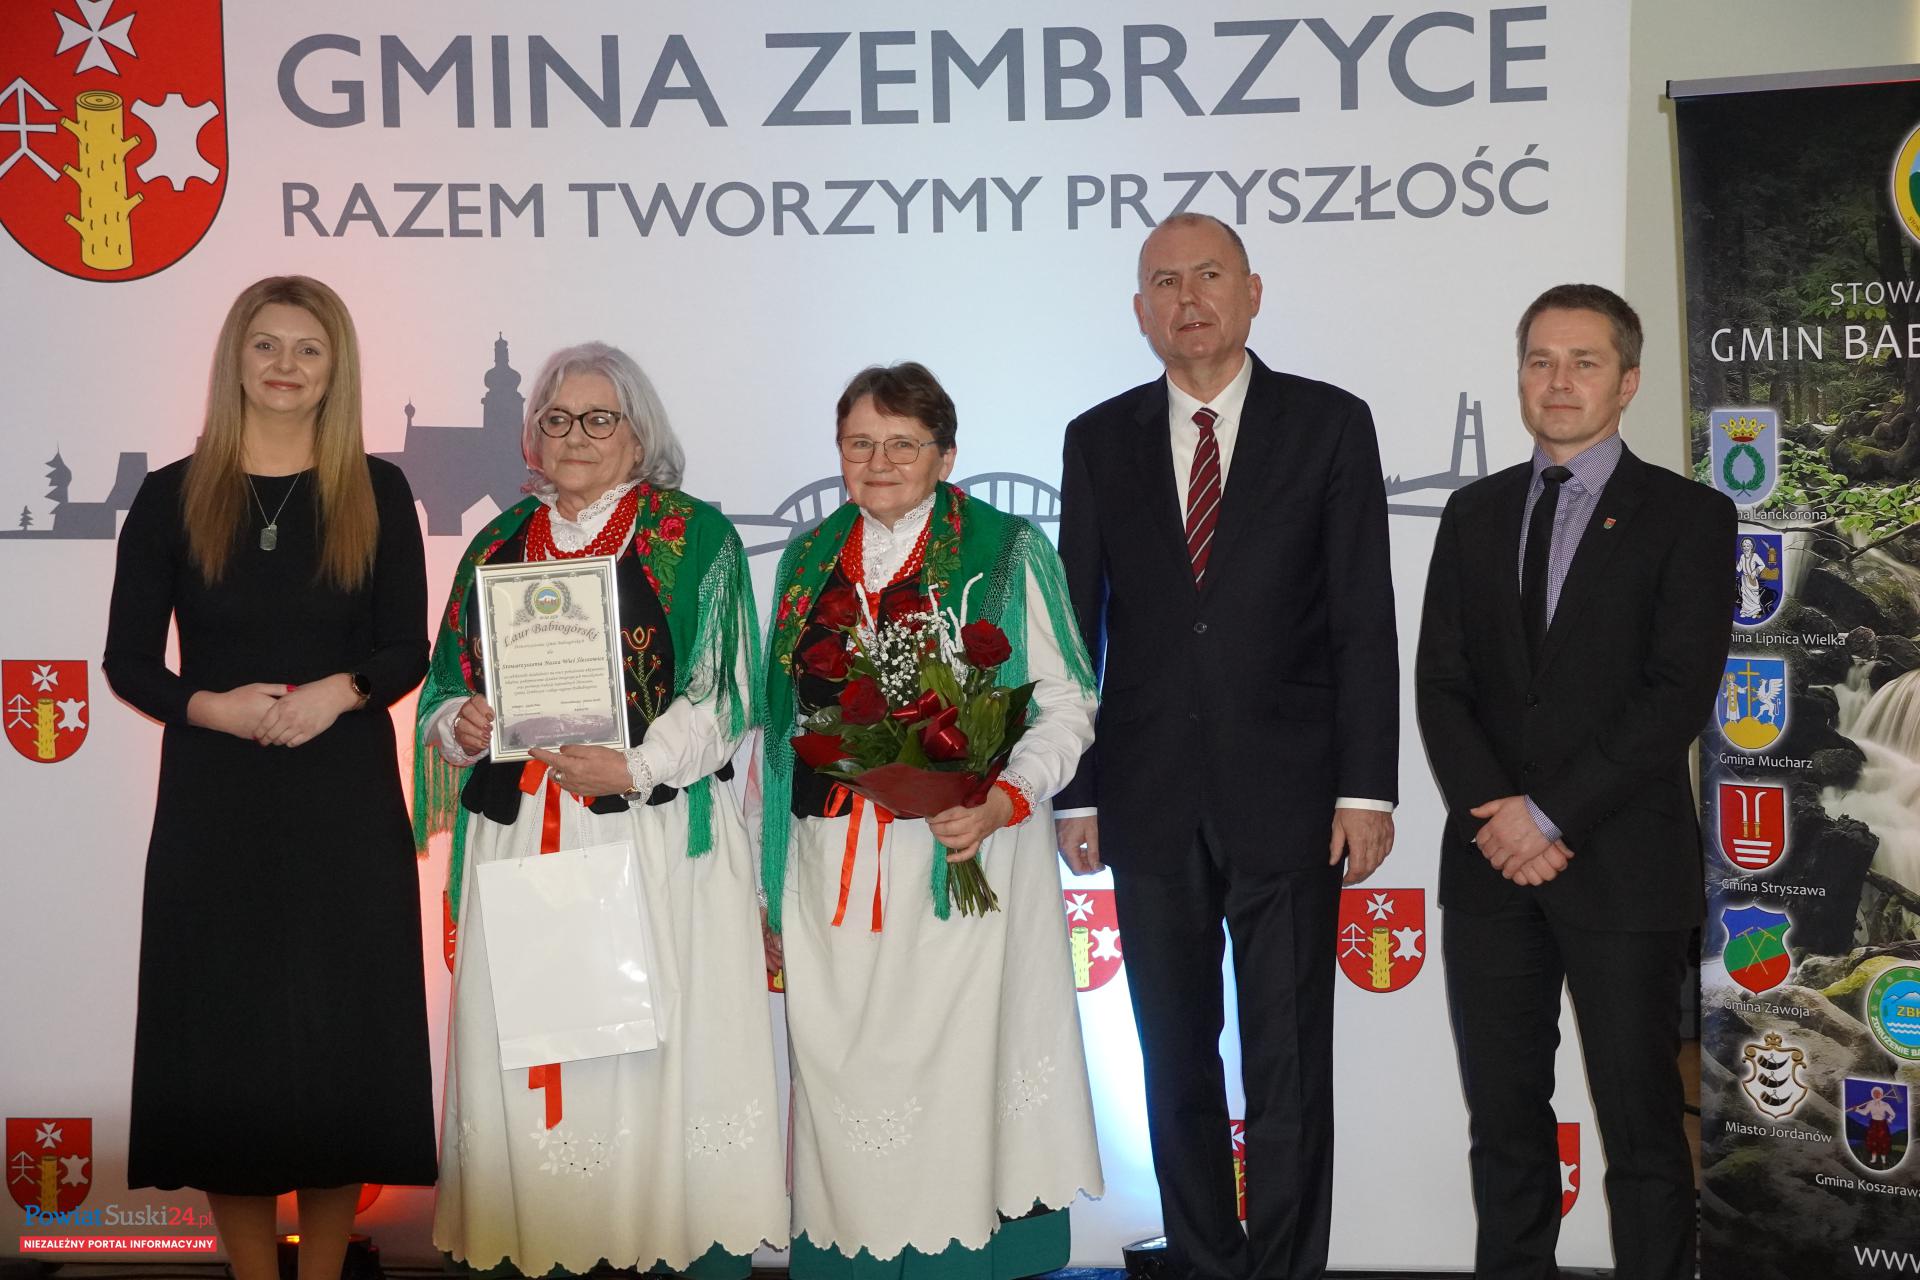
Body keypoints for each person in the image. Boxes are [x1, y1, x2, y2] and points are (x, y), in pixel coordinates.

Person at [1054, 212, 1398, 1280]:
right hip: (1148, 796)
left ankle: (1286, 1268)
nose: (1188, 298)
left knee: (1290, 1061)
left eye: (1209, 275)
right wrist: (1077, 791)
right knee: (1174, 1060)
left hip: (1293, 797)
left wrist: (1366, 788)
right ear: (1140, 310)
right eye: (1165, 281)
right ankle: (1206, 1260)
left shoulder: (1329, 424)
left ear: (1253, 293)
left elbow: (1362, 617)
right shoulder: (1098, 437)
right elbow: (1074, 628)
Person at [413, 342, 783, 1277]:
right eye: (556, 419)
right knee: (540, 1062)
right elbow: (443, 689)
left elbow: (725, 691)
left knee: (648, 1061)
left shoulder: (693, 537)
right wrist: (464, 721)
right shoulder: (495, 545)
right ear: (532, 436)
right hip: (524, 842)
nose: (575, 436)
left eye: (598, 418)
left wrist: (638, 765)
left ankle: (657, 1244)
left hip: (648, 835)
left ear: (638, 435)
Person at [102, 275, 436, 1280]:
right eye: (266, 345)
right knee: (226, 1046)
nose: (286, 365)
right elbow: (128, 662)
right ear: (235, 360)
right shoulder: (172, 494)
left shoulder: (377, 490)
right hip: (216, 802)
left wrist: (342, 691)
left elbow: (405, 648)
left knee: (344, 1046)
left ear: (336, 369)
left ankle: (324, 1269)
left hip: (345, 800)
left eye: (308, 348)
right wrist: (213, 707)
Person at [1414, 283, 1735, 1280]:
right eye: (1540, 360)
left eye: (1584, 362)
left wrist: (1549, 815)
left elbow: (1676, 694)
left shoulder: (1689, 516)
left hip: (1624, 868)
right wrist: (1502, 819)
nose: (1558, 381)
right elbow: (1440, 684)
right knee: (1504, 1122)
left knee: (1643, 1128)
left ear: (1627, 382)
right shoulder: (1472, 513)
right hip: (1491, 870)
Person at [757, 361, 1103, 1280]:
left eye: (903, 444)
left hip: (961, 860)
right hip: (831, 866)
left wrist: (1002, 800)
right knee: (841, 1073)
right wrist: (767, 875)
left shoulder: (1007, 550)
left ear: (946, 456)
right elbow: (777, 730)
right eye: (859, 443)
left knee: (957, 1076)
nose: (879, 462)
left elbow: (1066, 701)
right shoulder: (805, 559)